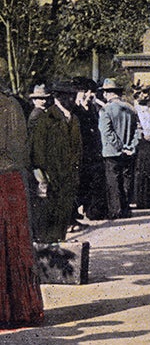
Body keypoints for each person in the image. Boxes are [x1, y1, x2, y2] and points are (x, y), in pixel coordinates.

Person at [0, 87, 44, 328]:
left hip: (7, 179)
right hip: (10, 179)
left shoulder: (10, 105)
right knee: (14, 241)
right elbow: (20, 150)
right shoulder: (12, 105)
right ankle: (18, 308)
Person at [29, 82, 82, 244]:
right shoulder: (46, 119)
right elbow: (37, 153)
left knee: (63, 219)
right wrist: (43, 179)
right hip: (52, 179)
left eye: (73, 96)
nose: (72, 99)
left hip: (69, 178)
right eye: (68, 96)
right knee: (49, 222)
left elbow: (78, 149)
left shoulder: (74, 119)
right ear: (58, 98)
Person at [98, 78, 141, 219]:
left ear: (107, 93)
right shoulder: (131, 108)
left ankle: (116, 210)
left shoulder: (106, 109)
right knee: (126, 180)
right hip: (129, 151)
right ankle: (126, 208)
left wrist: (119, 146)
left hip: (112, 152)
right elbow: (138, 130)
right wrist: (131, 146)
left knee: (114, 181)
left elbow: (106, 131)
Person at [73, 78, 107, 222]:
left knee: (94, 181)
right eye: (85, 92)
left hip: (93, 152)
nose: (89, 95)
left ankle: (92, 210)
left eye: (91, 92)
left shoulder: (93, 109)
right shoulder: (74, 110)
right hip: (81, 152)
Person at [132, 83, 150, 209]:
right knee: (141, 172)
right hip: (142, 143)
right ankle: (141, 201)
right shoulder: (135, 110)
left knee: (147, 172)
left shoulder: (147, 110)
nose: (148, 98)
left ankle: (146, 200)